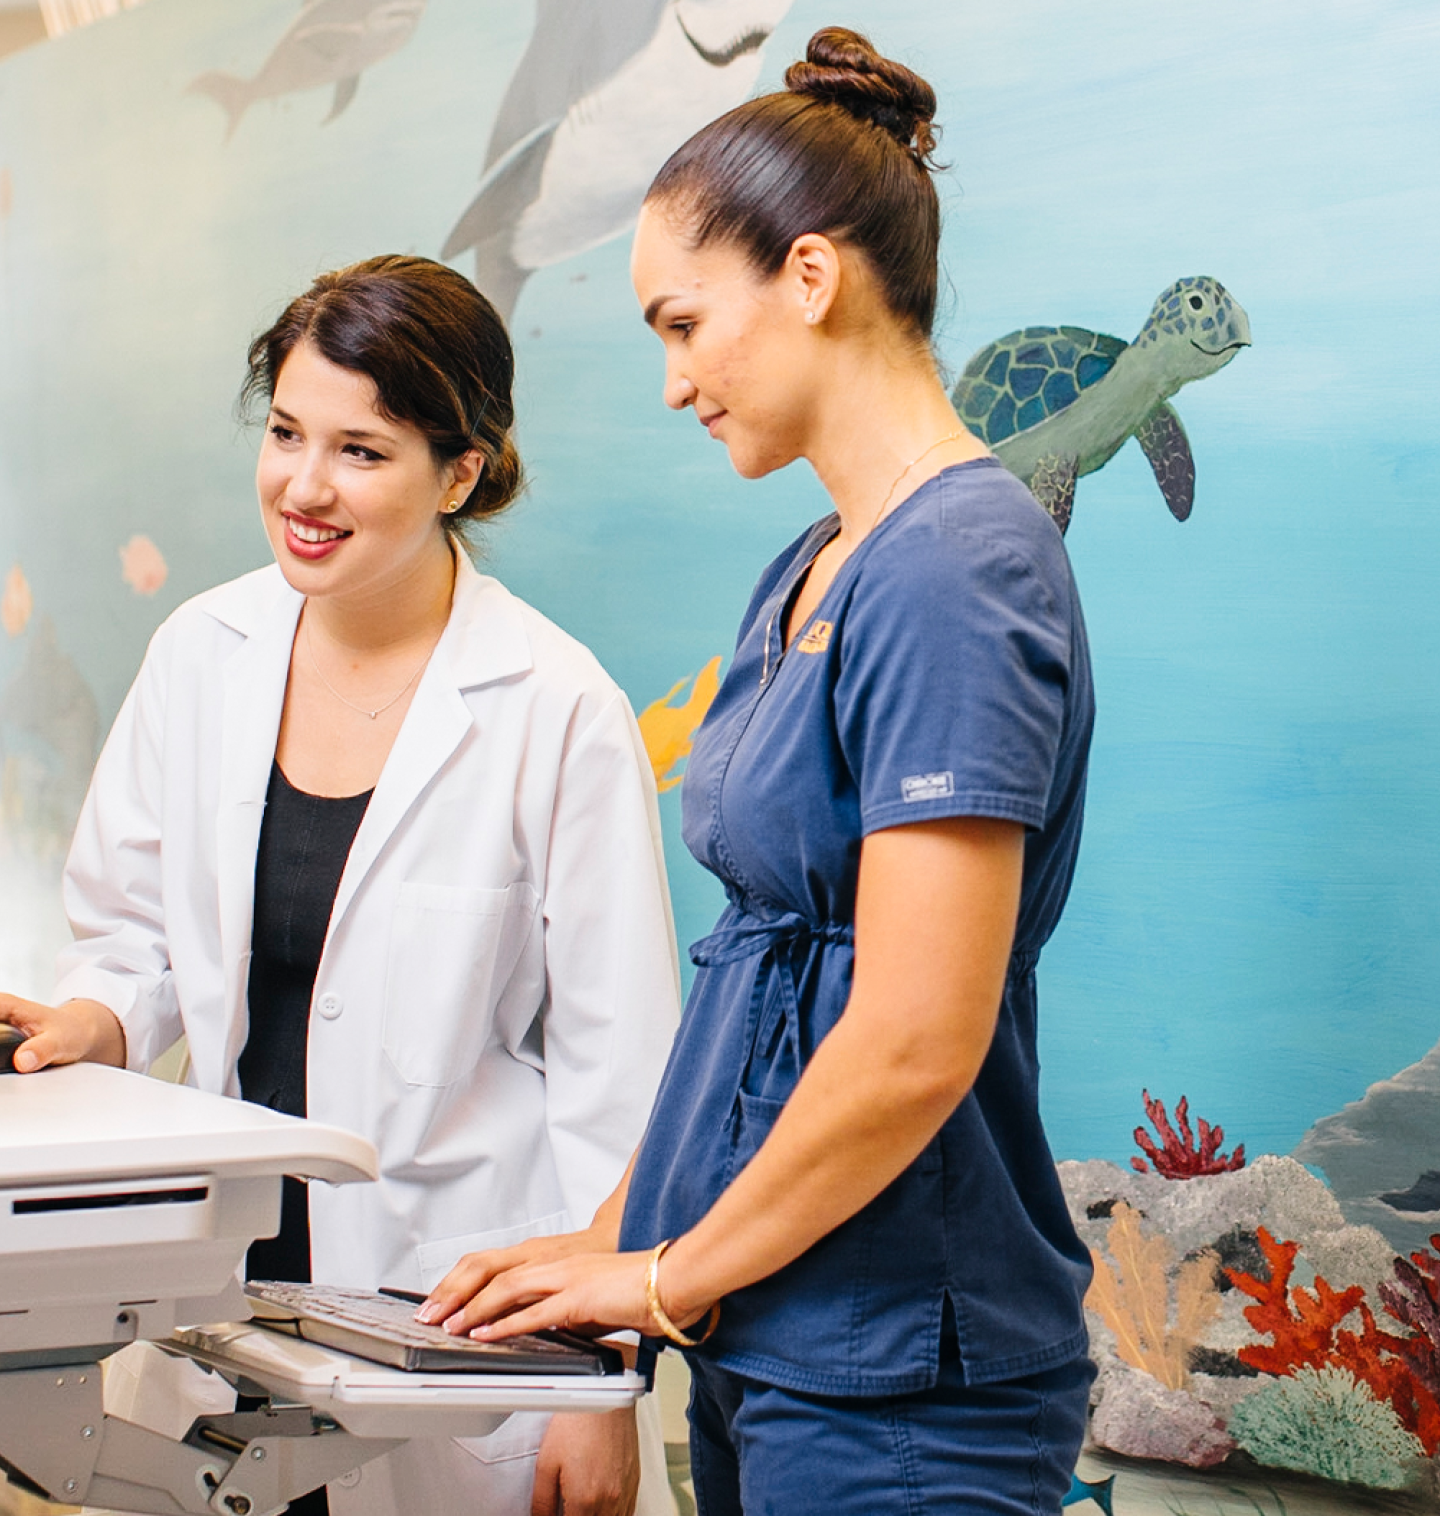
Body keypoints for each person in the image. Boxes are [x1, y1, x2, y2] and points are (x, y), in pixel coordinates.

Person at [421, 28, 1098, 1516]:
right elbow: (760, 980)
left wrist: (661, 1278)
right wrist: (607, 1241)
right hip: (771, 1337)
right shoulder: (814, 566)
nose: (674, 384)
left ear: (810, 276)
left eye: (681, 323)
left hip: (899, 1384)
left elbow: (917, 1038)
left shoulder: (958, 569)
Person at [0, 254, 681, 1516]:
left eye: (362, 451)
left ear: (460, 472)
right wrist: (92, 1019)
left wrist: (606, 1383)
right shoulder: (201, 653)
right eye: (286, 432)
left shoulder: (553, 707)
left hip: (462, 1327)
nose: (305, 488)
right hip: (223, 1304)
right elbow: (135, 934)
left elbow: (621, 1076)